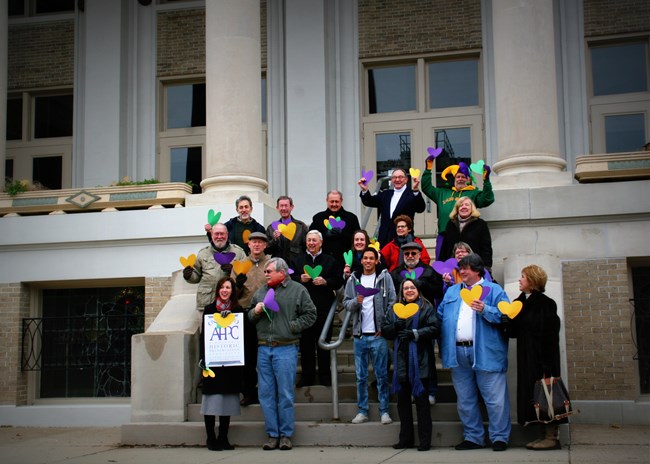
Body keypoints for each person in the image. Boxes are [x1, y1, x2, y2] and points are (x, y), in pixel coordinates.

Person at [437, 253, 511, 452]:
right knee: (465, 399)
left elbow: (507, 317)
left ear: (478, 270)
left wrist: (486, 309)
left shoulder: (494, 290)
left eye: (466, 268)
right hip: (457, 353)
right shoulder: (452, 292)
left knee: (495, 399)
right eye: (460, 268)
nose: (461, 271)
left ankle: (499, 437)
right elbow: (440, 316)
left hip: (486, 352)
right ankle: (473, 437)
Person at [248, 257, 316, 451]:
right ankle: (272, 435)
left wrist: (293, 326)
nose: (266, 274)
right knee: (266, 394)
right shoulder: (261, 292)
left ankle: (286, 435)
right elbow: (250, 317)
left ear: (282, 272)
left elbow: (311, 314)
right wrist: (256, 311)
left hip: (286, 347)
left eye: (269, 271)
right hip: (264, 348)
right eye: (266, 271)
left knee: (285, 393)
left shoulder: (298, 290)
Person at [502, 265, 565, 450]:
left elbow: (551, 335)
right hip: (526, 357)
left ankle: (552, 437)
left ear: (533, 280)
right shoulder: (518, 302)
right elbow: (513, 332)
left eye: (523, 277)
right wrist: (506, 322)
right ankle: (541, 434)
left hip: (543, 359)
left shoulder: (546, 303)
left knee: (547, 395)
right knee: (533, 396)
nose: (519, 280)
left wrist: (548, 364)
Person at [382, 279, 439, 451]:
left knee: (422, 403)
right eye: (405, 288)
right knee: (403, 403)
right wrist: (395, 326)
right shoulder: (394, 309)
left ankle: (424, 440)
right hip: (400, 360)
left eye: (412, 287)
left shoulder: (426, 308)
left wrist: (415, 333)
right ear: (401, 291)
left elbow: (435, 328)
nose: (408, 290)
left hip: (420, 360)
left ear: (417, 290)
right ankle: (405, 439)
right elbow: (385, 329)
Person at [342, 247, 396, 425]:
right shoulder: (354, 279)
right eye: (365, 258)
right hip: (359, 336)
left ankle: (384, 411)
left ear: (376, 260)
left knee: (381, 375)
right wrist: (355, 302)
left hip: (378, 336)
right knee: (361, 376)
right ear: (361, 260)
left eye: (371, 258)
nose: (367, 261)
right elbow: (346, 302)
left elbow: (392, 301)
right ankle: (362, 410)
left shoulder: (384, 277)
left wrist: (385, 325)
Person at [390, 241, 442, 405]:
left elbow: (439, 290)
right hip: (404, 321)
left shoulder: (429, 271)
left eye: (413, 253)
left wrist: (423, 284)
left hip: (424, 319)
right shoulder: (396, 272)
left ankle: (430, 390)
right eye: (407, 254)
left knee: (427, 358)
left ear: (420, 254)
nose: (410, 256)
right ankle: (412, 389)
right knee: (405, 358)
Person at [291, 230, 343, 387]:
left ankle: (325, 375)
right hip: (303, 310)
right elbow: (288, 278)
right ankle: (307, 376)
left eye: (314, 240)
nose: (311, 243)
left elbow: (338, 281)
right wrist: (299, 278)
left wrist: (326, 282)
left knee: (324, 342)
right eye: (309, 240)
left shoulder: (330, 260)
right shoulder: (297, 260)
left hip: (323, 308)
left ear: (321, 242)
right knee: (306, 344)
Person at [200, 277, 244, 451]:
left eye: (228, 287)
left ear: (232, 291)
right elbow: (204, 336)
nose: (225, 290)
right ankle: (210, 438)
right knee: (211, 401)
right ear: (218, 290)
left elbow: (242, 335)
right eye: (222, 287)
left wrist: (232, 317)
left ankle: (223, 437)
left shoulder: (238, 310)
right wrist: (203, 358)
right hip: (213, 362)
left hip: (231, 363)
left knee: (226, 401)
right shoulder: (209, 310)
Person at [421, 158, 494, 259]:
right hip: (445, 234)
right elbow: (426, 187)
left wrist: (486, 180)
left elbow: (488, 199)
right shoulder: (443, 193)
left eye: (463, 177)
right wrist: (428, 169)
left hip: (467, 235)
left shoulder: (473, 193)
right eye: (458, 177)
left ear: (468, 180)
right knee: (443, 264)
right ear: (454, 179)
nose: (460, 179)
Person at [234, 231, 272, 406]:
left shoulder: (271, 263)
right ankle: (249, 391)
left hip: (267, 314)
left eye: (260, 242)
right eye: (253, 242)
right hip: (245, 312)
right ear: (248, 245)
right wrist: (238, 285)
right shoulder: (240, 265)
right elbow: (232, 293)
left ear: (265, 245)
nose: (257, 245)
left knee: (266, 354)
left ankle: (269, 391)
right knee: (247, 356)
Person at [184, 223, 246, 311]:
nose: (219, 236)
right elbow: (196, 277)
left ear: (227, 234)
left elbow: (246, 277)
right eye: (216, 234)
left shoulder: (239, 252)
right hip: (206, 303)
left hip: (231, 304)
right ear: (211, 235)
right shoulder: (203, 253)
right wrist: (188, 276)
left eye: (222, 233)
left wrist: (233, 270)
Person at [358, 167, 425, 246]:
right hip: (384, 238)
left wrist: (416, 190)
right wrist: (365, 190)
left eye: (400, 177)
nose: (397, 180)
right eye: (394, 177)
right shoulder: (386, 194)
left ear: (406, 180)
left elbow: (420, 208)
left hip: (403, 239)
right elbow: (369, 201)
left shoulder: (411, 194)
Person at [309, 190, 361, 273]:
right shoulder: (318, 218)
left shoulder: (351, 218)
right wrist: (324, 235)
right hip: (323, 261)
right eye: (331, 201)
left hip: (345, 261)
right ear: (327, 201)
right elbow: (310, 238)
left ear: (341, 201)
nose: (334, 204)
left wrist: (342, 234)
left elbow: (357, 239)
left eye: (336, 201)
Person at [440, 197, 493, 270]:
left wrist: (486, 266)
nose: (463, 207)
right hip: (453, 267)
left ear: (472, 208)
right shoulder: (451, 224)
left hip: (474, 267)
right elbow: (445, 247)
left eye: (467, 205)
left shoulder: (481, 224)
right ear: (457, 209)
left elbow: (486, 248)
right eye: (461, 205)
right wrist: (443, 265)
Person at [265, 195, 309, 264]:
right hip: (278, 267)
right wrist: (275, 239)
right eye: (281, 206)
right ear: (277, 208)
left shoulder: (301, 227)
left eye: (286, 205)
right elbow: (267, 250)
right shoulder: (271, 228)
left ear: (291, 207)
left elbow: (307, 248)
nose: (284, 208)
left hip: (296, 267)